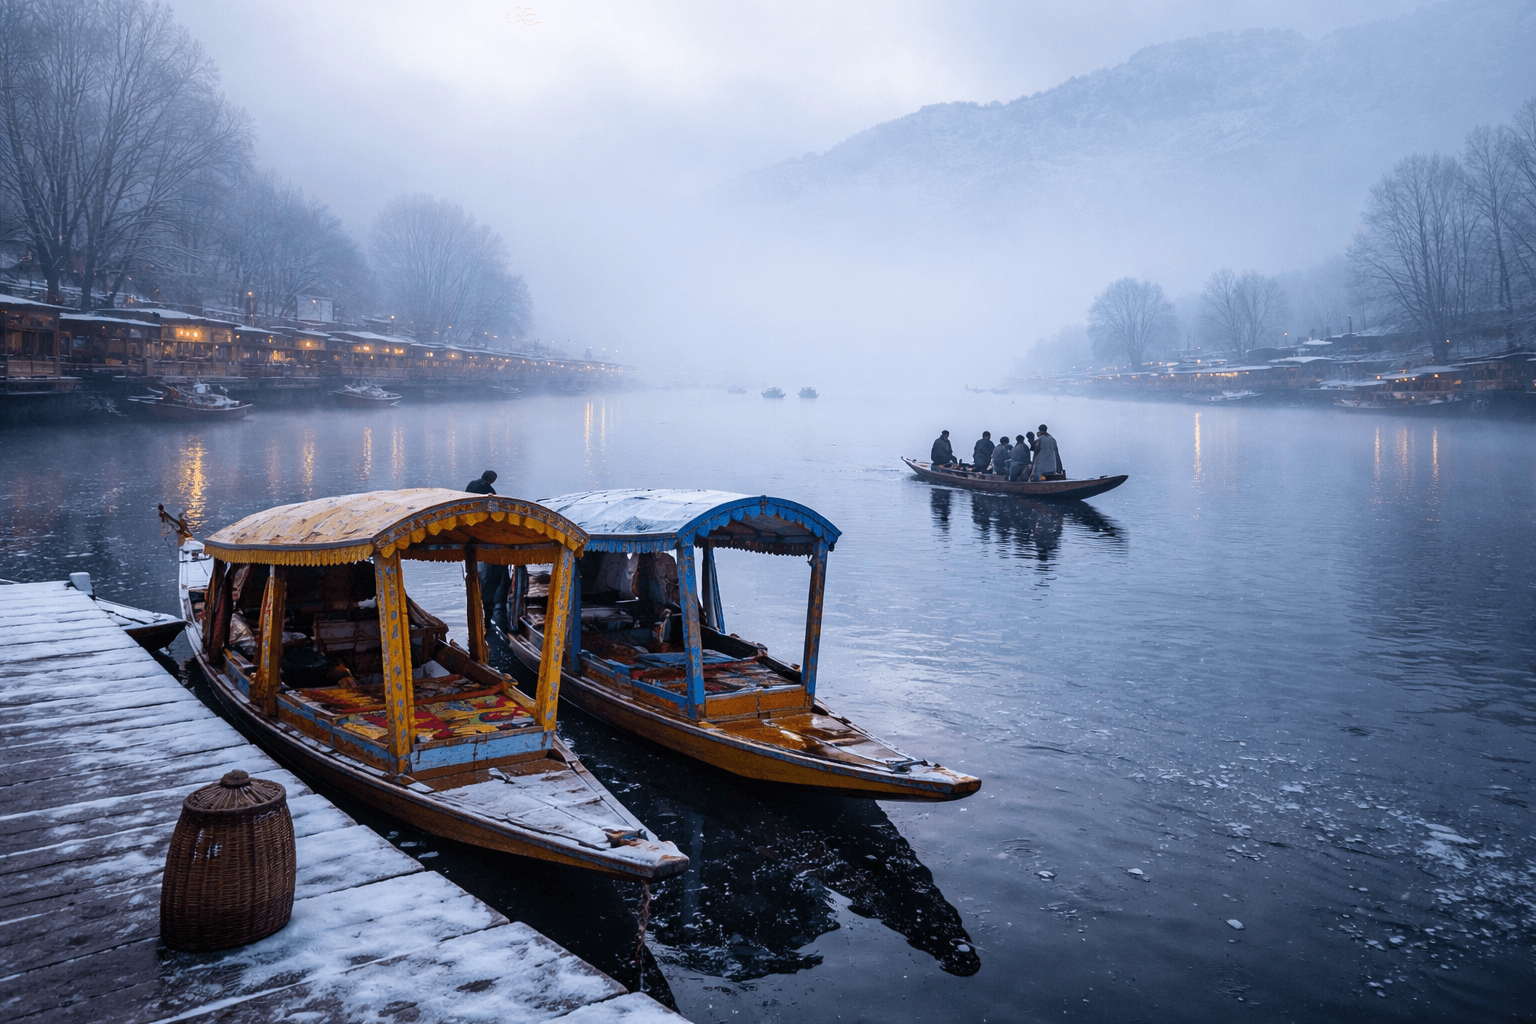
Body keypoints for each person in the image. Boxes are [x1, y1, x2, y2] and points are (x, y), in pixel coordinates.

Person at [463, 470, 508, 629]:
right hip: (484, 529)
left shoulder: (471, 485)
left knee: (483, 586)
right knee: (489, 590)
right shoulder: (489, 491)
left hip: (471, 524)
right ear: (492, 480)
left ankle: (479, 619)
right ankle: (487, 623)